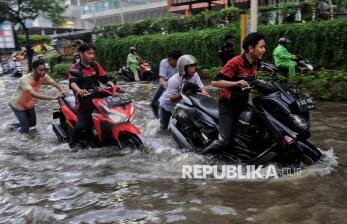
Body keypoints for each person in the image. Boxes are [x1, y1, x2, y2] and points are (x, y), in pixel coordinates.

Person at [203, 32, 266, 154]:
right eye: (261, 47)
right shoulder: (235, 62)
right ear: (251, 48)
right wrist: (236, 83)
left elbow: (250, 79)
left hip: (242, 103)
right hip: (228, 105)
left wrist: (260, 82)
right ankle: (201, 157)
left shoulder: (255, 62)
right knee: (224, 141)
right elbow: (214, 82)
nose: (264, 50)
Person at [68, 44, 114, 149]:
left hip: (99, 98)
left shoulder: (95, 65)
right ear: (81, 53)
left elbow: (105, 80)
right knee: (82, 125)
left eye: (93, 53)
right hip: (84, 101)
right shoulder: (75, 68)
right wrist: (79, 90)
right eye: (89, 53)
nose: (92, 56)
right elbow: (73, 83)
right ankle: (72, 143)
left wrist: (114, 86)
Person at [9, 59, 66, 133]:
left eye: (44, 70)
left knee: (32, 124)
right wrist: (53, 98)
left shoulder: (44, 76)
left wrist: (63, 90)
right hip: (17, 104)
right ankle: (14, 130)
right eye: (40, 70)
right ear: (33, 69)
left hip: (29, 103)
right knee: (25, 128)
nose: (43, 72)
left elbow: (54, 83)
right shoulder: (24, 79)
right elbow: (34, 94)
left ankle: (15, 125)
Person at [159, 54, 208, 129]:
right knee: (164, 128)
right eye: (191, 66)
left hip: (180, 106)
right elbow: (172, 99)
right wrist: (183, 91)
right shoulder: (173, 80)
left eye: (194, 66)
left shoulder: (195, 75)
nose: (194, 68)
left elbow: (202, 88)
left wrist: (203, 92)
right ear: (183, 68)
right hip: (167, 106)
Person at [151, 49, 182, 118]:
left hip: (179, 87)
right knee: (154, 103)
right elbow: (162, 78)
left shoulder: (182, 65)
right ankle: (157, 118)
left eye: (170, 60)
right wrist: (166, 83)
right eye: (168, 59)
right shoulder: (164, 62)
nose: (168, 61)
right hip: (165, 85)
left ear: (177, 60)